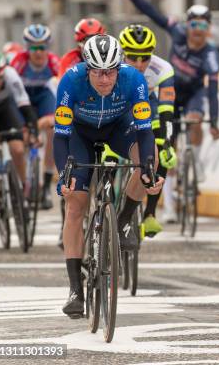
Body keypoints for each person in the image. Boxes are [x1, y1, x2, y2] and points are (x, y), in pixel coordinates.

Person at [54, 34, 164, 317]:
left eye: (111, 71)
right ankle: (76, 289)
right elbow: (61, 135)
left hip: (118, 128)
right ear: (87, 68)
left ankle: (125, 219)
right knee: (75, 204)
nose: (105, 79)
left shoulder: (134, 81)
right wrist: (63, 176)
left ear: (119, 67)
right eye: (98, 72)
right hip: (80, 135)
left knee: (144, 166)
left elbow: (144, 131)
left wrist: (149, 169)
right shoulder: (70, 81)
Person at [116, 0, 219, 223]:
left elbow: (214, 89)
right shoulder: (176, 31)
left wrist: (214, 121)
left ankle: (195, 158)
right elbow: (152, 13)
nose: (197, 31)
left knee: (196, 119)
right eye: (193, 25)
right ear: (187, 25)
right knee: (167, 142)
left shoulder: (211, 54)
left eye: (203, 26)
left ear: (208, 29)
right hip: (167, 90)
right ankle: (170, 206)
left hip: (192, 92)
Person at [119, 24, 177, 237]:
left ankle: (149, 213)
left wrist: (167, 142)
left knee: (160, 148)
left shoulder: (163, 69)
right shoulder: (112, 66)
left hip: (147, 103)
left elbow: (166, 111)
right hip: (120, 102)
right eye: (133, 57)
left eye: (145, 57)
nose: (140, 64)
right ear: (123, 53)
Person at [10, 24, 60, 210]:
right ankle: (25, 183)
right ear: (27, 48)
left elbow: (64, 86)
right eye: (34, 47)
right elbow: (11, 91)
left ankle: (46, 185)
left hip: (44, 96)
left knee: (54, 130)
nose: (39, 52)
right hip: (24, 98)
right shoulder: (18, 62)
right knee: (20, 136)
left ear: (49, 47)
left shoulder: (54, 62)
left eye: (43, 47)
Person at [0, 50, 38, 187]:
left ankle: (24, 185)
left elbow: (25, 107)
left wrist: (33, 131)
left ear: (2, 74)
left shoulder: (11, 75)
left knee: (17, 149)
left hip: (5, 108)